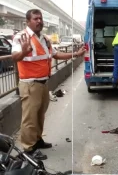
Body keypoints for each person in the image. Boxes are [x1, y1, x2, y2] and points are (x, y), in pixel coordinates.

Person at [11, 9, 86, 160]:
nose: (39, 21)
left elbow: (55, 55)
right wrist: (24, 52)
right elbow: (14, 57)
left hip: (43, 83)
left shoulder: (44, 39)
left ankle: (37, 140)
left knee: (40, 115)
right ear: (28, 21)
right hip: (30, 84)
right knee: (30, 117)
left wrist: (75, 54)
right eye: (35, 19)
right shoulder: (21, 37)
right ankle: (28, 149)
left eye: (40, 18)